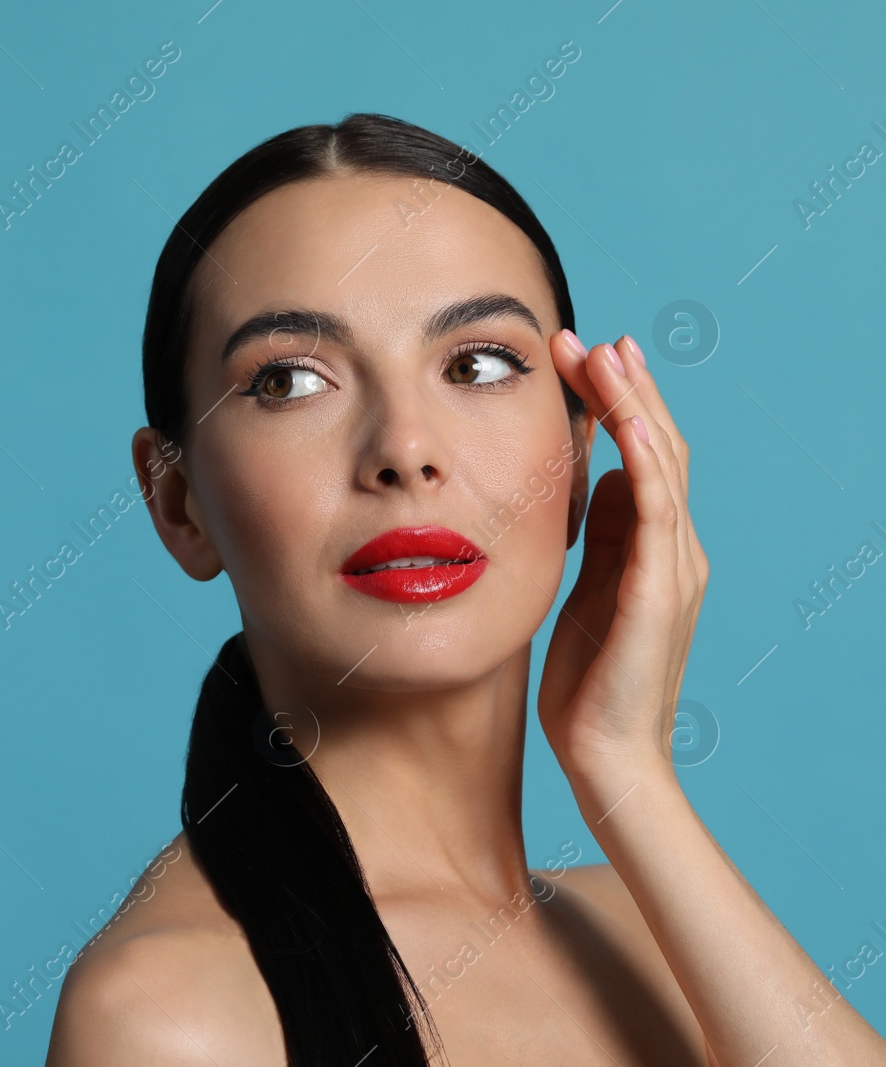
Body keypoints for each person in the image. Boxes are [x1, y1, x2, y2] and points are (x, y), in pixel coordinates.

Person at [43, 113, 886, 1065]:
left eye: (478, 364)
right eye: (288, 380)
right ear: (178, 499)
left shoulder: (659, 933)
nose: (405, 448)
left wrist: (626, 768)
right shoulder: (169, 1016)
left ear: (579, 461)